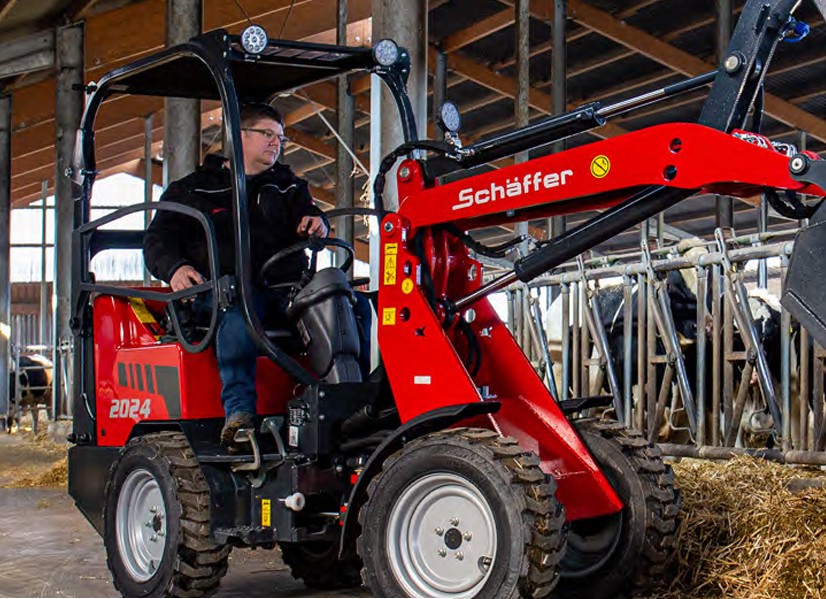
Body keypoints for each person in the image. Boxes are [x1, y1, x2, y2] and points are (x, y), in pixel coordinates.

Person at [143, 103, 330, 449]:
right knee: (239, 310)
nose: (277, 143)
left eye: (281, 138)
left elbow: (312, 216)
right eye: (268, 135)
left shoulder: (289, 188)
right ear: (239, 136)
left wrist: (318, 223)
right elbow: (157, 241)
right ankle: (240, 415)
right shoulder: (193, 190)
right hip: (222, 293)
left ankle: (344, 402)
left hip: (285, 291)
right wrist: (176, 268)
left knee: (346, 302)